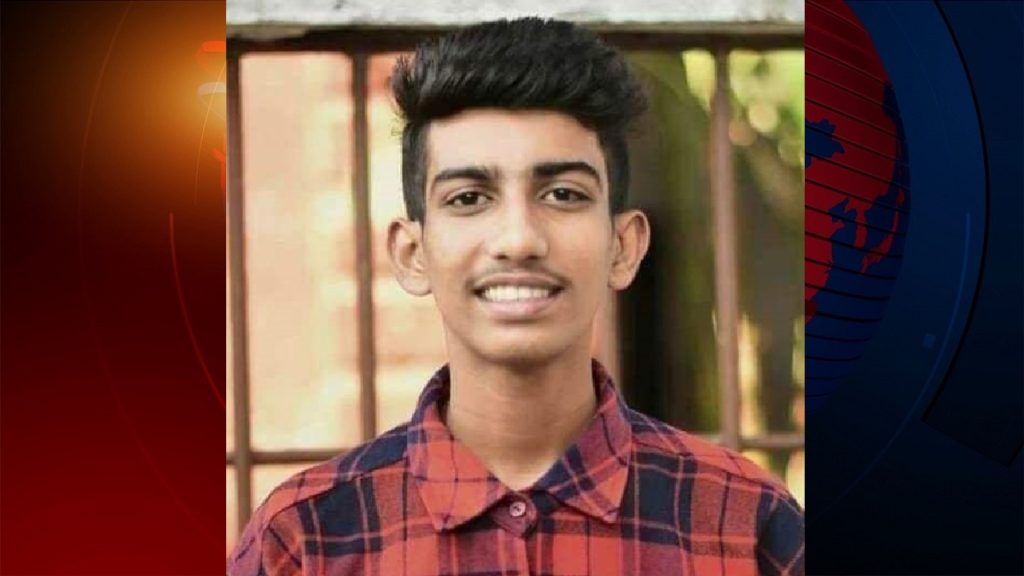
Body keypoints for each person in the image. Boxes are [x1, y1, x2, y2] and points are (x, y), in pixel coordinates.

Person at [229, 17, 804, 576]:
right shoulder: (306, 540)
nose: (519, 240)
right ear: (412, 253)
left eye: (562, 193)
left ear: (623, 246)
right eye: (468, 198)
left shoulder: (745, 526)